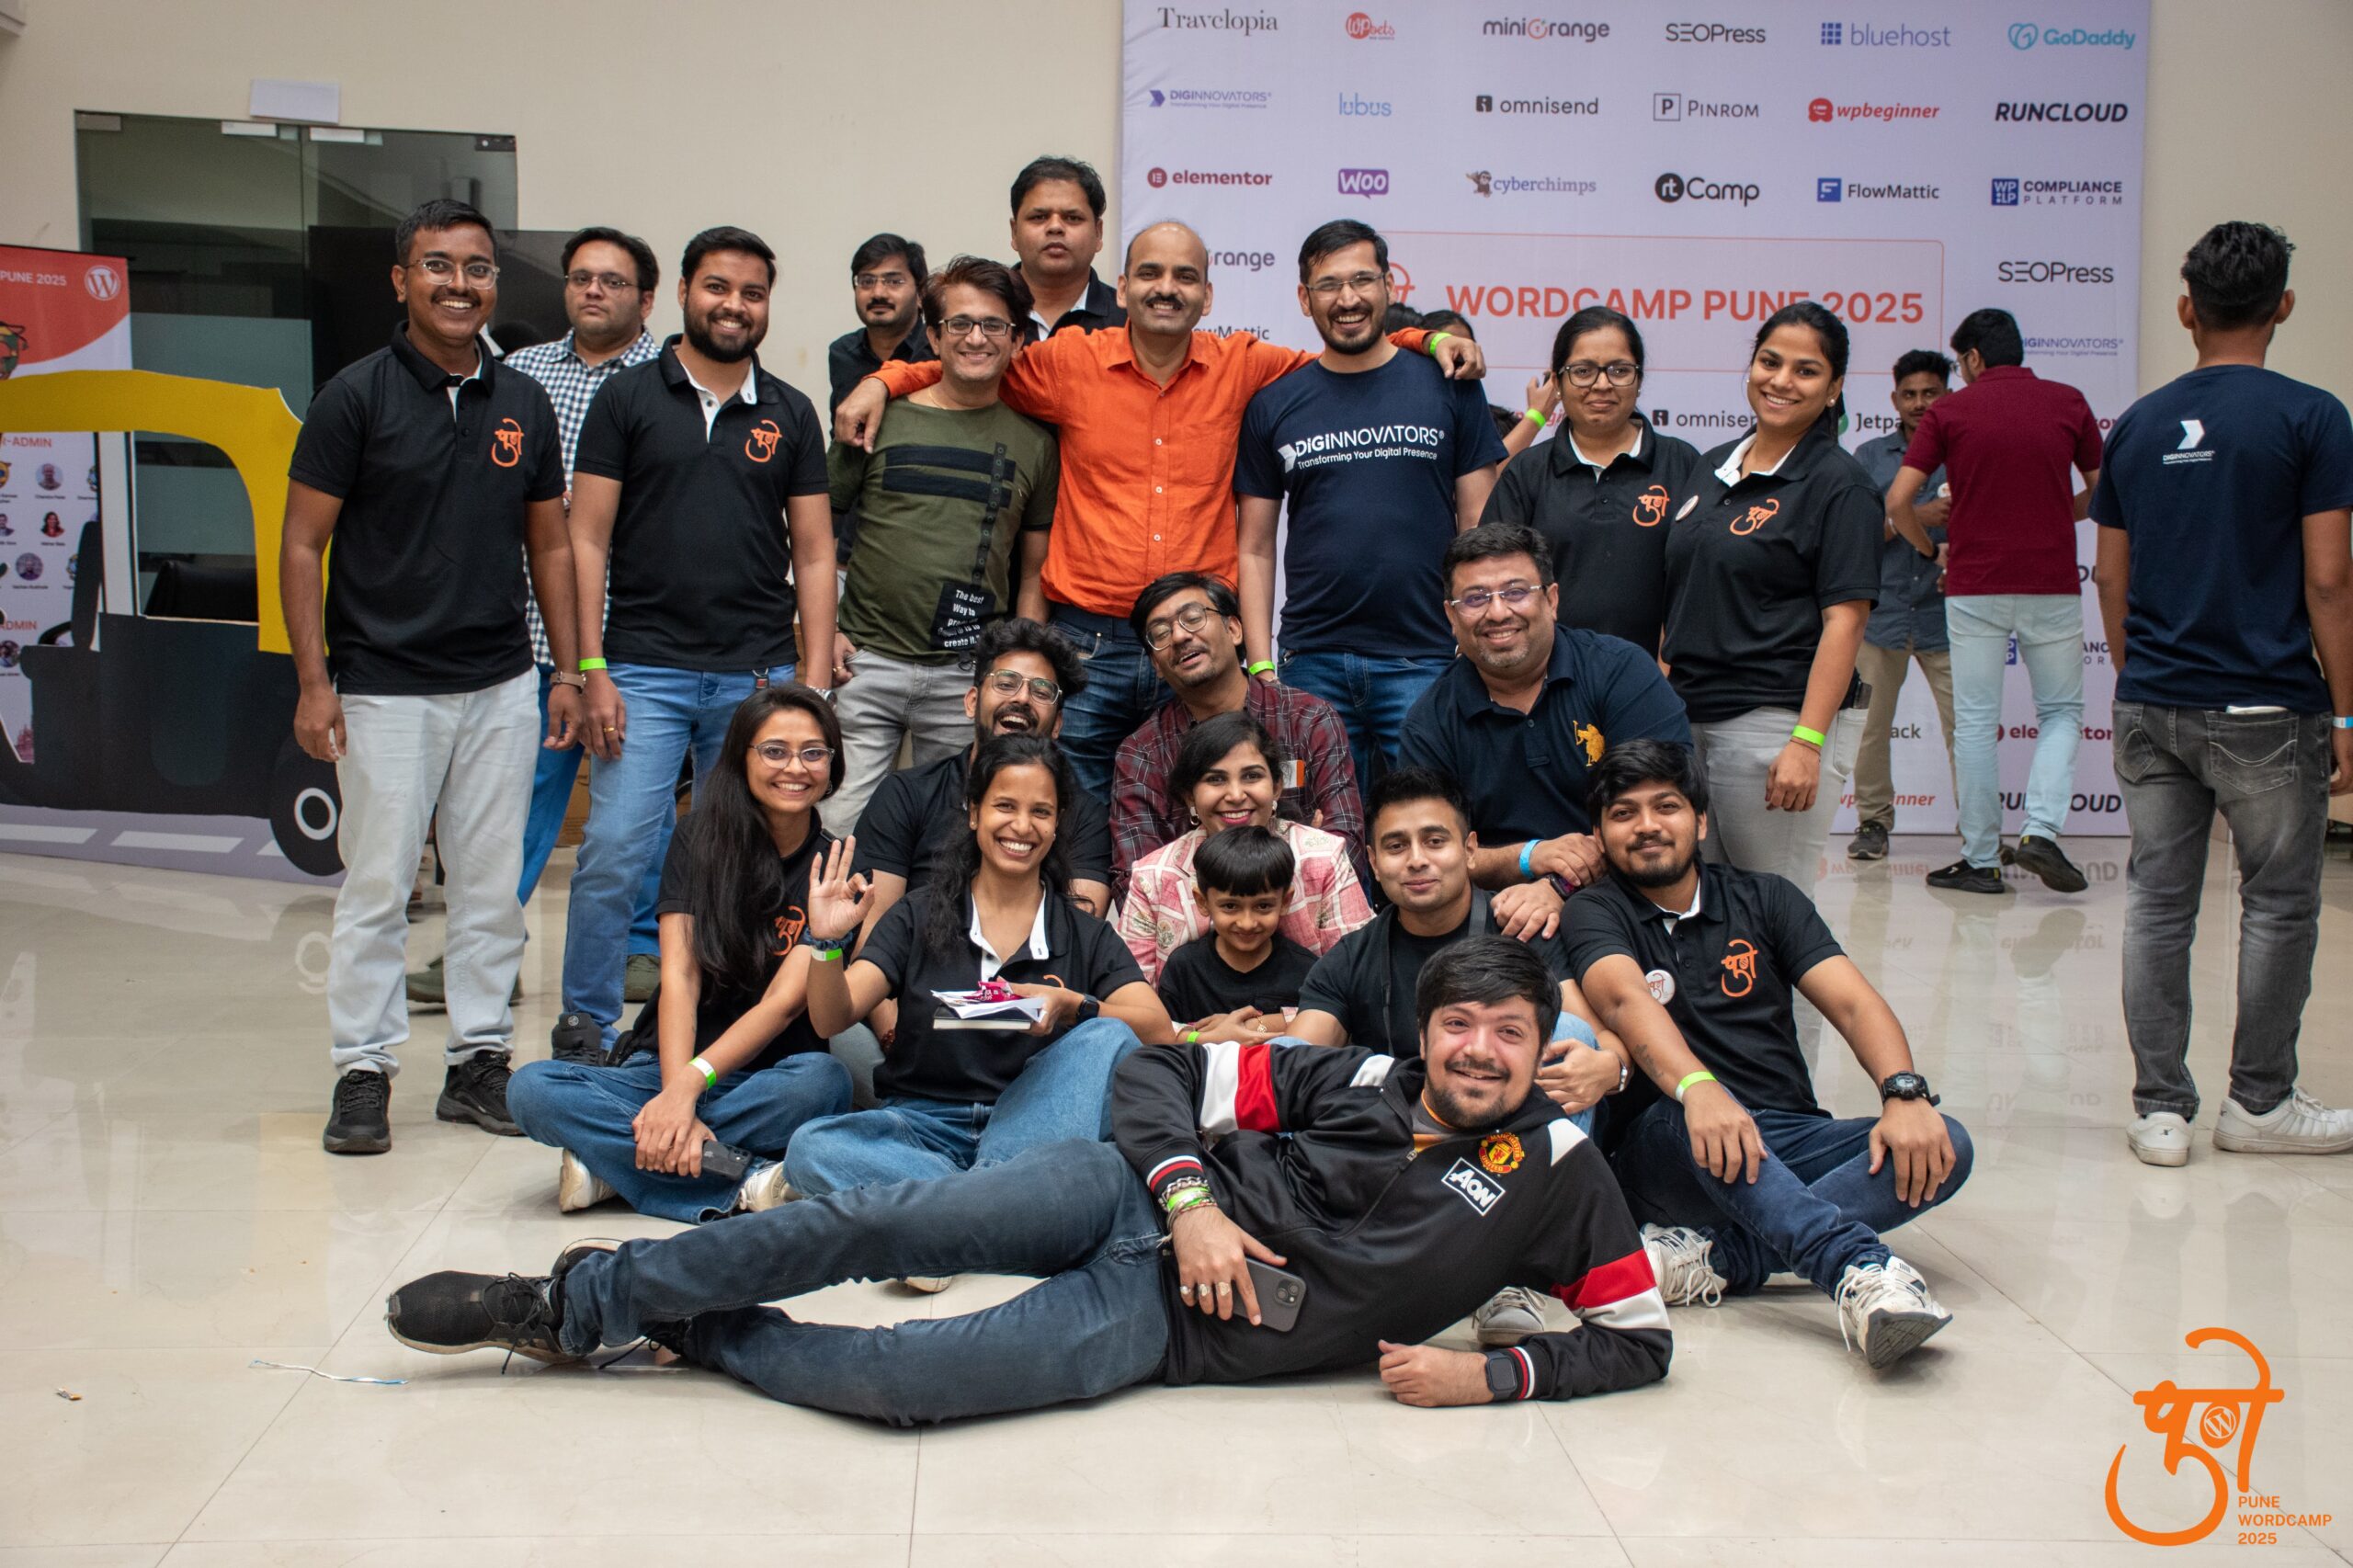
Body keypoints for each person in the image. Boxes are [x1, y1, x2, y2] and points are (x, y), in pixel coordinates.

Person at [381, 937, 1674, 1422]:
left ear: (1542, 1041)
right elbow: (1155, 1072)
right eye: (1460, 1025)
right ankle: (578, 1301)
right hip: (1124, 1197)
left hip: (1174, 1329)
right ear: (1428, 1030)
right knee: (871, 1220)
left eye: (1509, 1031)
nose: (1479, 1050)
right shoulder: (1360, 1078)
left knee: (906, 1380)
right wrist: (1192, 1201)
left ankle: (696, 1330)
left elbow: (1638, 1337)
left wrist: (1493, 1376)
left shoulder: (1558, 1170)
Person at [836, 222, 1483, 796]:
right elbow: (972, 362)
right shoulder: (1069, 362)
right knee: (1072, 810)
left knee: (1214, 806)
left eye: (1184, 276)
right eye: (1149, 273)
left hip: (1197, 644)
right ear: (1122, 288)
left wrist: (1424, 340)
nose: (1166, 288)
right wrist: (883, 380)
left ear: (1208, 295)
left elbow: (1346, 351)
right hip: (1087, 647)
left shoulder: (1245, 367)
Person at [280, 199, 577, 1154]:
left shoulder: (522, 401)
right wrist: (314, 683)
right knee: (378, 887)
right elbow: (301, 544)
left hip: (500, 683)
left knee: (490, 889)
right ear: (401, 279)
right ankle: (363, 1070)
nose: (459, 284)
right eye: (437, 265)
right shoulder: (353, 397)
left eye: (477, 268)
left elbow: (550, 547)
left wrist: (569, 670)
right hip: (383, 685)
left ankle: (478, 1061)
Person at [1563, 740, 1971, 1369]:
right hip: (1668, 1145)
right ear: (1600, 835)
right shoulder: (1593, 911)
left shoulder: (1767, 898)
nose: (1647, 825)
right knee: (1685, 1117)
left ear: (1701, 821)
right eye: (1624, 813)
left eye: (1666, 806)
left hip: (1783, 1134)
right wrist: (1699, 1088)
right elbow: (1624, 1001)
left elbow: (1854, 1005)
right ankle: (1854, 1268)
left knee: (1946, 1143)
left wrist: (1903, 1093)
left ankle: (1719, 1260)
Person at [2090, 220, 2353, 1165]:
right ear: (2283, 305)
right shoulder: (2313, 417)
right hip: (2268, 704)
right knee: (2277, 905)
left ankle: (2160, 1111)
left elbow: (2108, 575)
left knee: (2159, 904)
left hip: (2152, 698)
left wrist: (2138, 676)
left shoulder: (2138, 424)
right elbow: (2329, 579)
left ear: (2184, 309)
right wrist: (2348, 711)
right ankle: (2259, 1104)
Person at [561, 226, 843, 1053]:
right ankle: (587, 1023)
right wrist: (589, 667)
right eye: (718, 287)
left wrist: (812, 684)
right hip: (640, 669)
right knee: (615, 848)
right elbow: (586, 538)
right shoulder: (626, 399)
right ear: (684, 292)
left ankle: (729, 1020)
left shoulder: (790, 411)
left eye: (753, 293)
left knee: (752, 853)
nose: (734, 305)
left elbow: (815, 552)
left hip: (757, 677)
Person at [405, 224, 664, 1017]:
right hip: (535, 631)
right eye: (581, 278)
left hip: (635, 632)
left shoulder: (670, 378)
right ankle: (487, 948)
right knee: (513, 803)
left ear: (647, 298)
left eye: (612, 281)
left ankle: (640, 948)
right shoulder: (520, 373)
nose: (593, 291)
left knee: (636, 807)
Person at [783, 735, 1174, 1214]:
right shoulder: (918, 914)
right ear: (973, 813)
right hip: (922, 1127)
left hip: (1035, 1124)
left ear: (1057, 825)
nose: (1022, 826)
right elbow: (831, 1019)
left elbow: (1157, 1030)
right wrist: (826, 943)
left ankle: (949, 1211)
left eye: (1041, 812)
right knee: (811, 1148)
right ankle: (1001, 1207)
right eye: (1004, 806)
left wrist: (1075, 1006)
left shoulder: (1083, 932)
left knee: (1109, 1034)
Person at [506, 687, 854, 1220]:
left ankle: (616, 1166)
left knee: (824, 1083)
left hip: (768, 1076)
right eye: (774, 751)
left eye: (813, 752)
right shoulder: (698, 840)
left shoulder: (836, 869)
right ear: (742, 758)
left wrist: (689, 1093)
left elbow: (782, 1005)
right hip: (664, 1064)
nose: (795, 768)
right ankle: (742, 1178)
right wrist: (676, 1091)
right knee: (532, 1089)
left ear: (832, 764)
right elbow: (680, 978)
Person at [1234, 221, 1506, 784]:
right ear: (1304, 298)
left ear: (1388, 285)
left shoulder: (1449, 385)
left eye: (1362, 280)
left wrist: (1472, 630)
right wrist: (1261, 664)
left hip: (1426, 656)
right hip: (1311, 663)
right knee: (1310, 822)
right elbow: (1255, 546)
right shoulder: (1274, 404)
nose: (1348, 299)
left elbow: (1479, 527)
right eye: (1329, 285)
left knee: (1428, 819)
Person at [827, 256, 1058, 832]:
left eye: (993, 325)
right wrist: (821, 628)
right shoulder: (878, 419)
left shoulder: (1035, 444)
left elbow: (1034, 571)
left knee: (952, 834)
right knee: (838, 825)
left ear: (1017, 340)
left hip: (966, 675)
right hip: (863, 664)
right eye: (959, 324)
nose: (976, 338)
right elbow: (814, 534)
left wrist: (1013, 668)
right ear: (933, 336)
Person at [1663, 301, 1879, 901]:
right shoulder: (1713, 466)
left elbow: (1845, 622)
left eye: (1806, 371)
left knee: (1774, 912)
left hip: (1773, 726)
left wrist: (1807, 742)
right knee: (1709, 911)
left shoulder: (1841, 485)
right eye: (1770, 361)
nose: (1781, 381)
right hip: (1691, 720)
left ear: (1834, 388)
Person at [1889, 308, 2103, 895]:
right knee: (2060, 712)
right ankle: (2040, 831)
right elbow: (2104, 489)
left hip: (1974, 583)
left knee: (1977, 723)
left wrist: (1930, 551)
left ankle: (1981, 860)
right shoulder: (2068, 401)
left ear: (1974, 358)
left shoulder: (1951, 411)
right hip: (2051, 582)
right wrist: (2056, 513)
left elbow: (1900, 500)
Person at [1398, 524, 1689, 940]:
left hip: (1631, 900)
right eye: (1475, 598)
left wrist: (1559, 887)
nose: (1498, 613)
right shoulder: (1430, 722)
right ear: (1451, 616)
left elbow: (1662, 814)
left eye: (1516, 592)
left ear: (1551, 600)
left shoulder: (1621, 672)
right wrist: (1529, 857)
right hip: (1500, 918)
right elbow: (1428, 856)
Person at [850, 617, 1114, 942]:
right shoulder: (906, 795)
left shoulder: (1085, 816)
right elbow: (872, 937)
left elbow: (1076, 943)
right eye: (1005, 683)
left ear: (1058, 724)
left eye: (1041, 691)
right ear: (972, 702)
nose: (1022, 698)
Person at [1110, 572, 1363, 892]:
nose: (1179, 636)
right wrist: (1307, 858)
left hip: (1308, 918)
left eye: (1193, 618)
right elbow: (1138, 882)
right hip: (1193, 925)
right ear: (1156, 665)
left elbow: (1346, 847)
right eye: (1160, 633)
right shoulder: (1143, 754)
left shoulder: (1308, 720)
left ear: (1234, 629)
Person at [1479, 307, 1706, 655]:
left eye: (1619, 370)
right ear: (1557, 382)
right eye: (1583, 372)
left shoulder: (1682, 463)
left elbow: (1699, 581)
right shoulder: (1527, 472)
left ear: (1639, 380)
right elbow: (1492, 578)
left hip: (1658, 675)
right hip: (1548, 674)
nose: (1602, 385)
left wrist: (1666, 670)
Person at [1118, 710, 1370, 983]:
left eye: (1251, 776)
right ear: (1190, 796)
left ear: (1276, 787)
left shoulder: (1323, 859)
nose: (1236, 795)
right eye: (1215, 779)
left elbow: (1357, 980)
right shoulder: (1153, 877)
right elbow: (1131, 994)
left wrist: (1275, 1015)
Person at [1847, 350, 1960, 862]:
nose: (1919, 404)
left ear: (1947, 395)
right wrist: (1916, 515)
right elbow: (1855, 535)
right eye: (1909, 394)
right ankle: (1873, 822)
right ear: (1894, 399)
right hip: (1883, 613)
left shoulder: (1964, 450)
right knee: (1870, 729)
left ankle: (1978, 834)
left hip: (1949, 614)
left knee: (1966, 730)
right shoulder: (1870, 457)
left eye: (1929, 393)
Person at [1153, 825, 1321, 1033]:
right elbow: (1167, 1037)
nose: (1247, 923)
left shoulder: (1307, 971)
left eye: (1263, 906)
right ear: (1203, 902)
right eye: (1230, 906)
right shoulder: (1183, 968)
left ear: (1285, 902)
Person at [1007, 155, 1126, 339]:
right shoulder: (980, 316)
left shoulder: (1130, 322)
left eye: (1072, 218)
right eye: (1039, 217)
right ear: (1015, 232)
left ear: (1098, 233)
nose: (1055, 227)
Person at [825, 233, 934, 416]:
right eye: (867, 281)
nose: (878, 293)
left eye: (894, 281)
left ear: (921, 294)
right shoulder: (842, 353)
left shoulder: (938, 350)